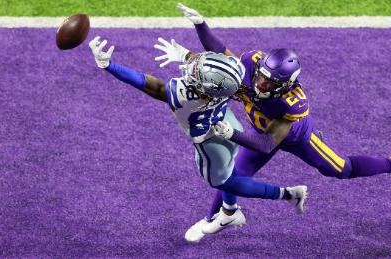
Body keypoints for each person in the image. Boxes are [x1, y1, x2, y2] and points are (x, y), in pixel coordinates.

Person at [176, 3, 391, 243]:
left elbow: (264, 144)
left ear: (285, 85)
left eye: (269, 83)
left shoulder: (292, 103)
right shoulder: (252, 65)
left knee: (341, 169)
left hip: (295, 138)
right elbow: (222, 53)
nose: (261, 84)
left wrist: (231, 134)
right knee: (230, 173)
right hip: (259, 129)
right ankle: (224, 216)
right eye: (261, 77)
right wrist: (200, 25)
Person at [88, 36, 308, 242]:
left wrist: (110, 66)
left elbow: (153, 86)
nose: (193, 68)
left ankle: (287, 194)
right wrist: (186, 53)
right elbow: (221, 63)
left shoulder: (184, 95)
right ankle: (229, 211)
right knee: (230, 173)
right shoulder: (232, 78)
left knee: (225, 181)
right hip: (229, 124)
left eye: (197, 71)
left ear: (206, 88)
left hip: (210, 144)